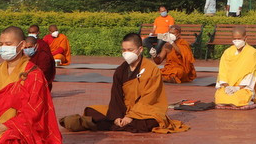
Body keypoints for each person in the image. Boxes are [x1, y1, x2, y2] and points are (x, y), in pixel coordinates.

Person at [59, 33, 189, 133]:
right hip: (124, 109)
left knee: (150, 122)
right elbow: (116, 96)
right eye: (124, 50)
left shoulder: (151, 69)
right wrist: (117, 116)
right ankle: (113, 123)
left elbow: (149, 97)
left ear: (140, 49)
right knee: (94, 110)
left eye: (130, 50)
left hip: (145, 110)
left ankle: (93, 123)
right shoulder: (121, 70)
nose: (126, 53)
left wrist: (131, 116)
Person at [215, 26, 256, 107]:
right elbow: (222, 72)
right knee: (219, 99)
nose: (237, 41)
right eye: (235, 39)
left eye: (239, 39)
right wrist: (227, 87)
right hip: (228, 87)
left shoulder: (253, 54)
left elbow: (252, 75)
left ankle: (249, 99)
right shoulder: (227, 52)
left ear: (245, 38)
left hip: (243, 88)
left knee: (237, 100)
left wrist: (237, 88)